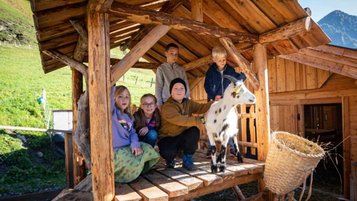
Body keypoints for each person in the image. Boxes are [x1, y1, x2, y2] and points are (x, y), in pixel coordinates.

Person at [159, 78, 213, 171]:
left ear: (185, 91)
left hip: (182, 136)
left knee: (194, 131)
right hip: (168, 138)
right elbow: (181, 120)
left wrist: (215, 102)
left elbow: (201, 107)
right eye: (175, 88)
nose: (179, 91)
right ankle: (170, 159)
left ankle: (187, 158)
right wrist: (202, 120)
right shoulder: (167, 107)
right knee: (167, 152)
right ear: (171, 91)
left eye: (182, 88)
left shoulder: (188, 102)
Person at [204, 46, 246, 158]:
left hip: (226, 101)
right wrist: (213, 96)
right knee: (210, 121)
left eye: (224, 60)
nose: (222, 62)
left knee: (230, 122)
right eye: (219, 60)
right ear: (214, 60)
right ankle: (210, 148)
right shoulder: (211, 72)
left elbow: (238, 81)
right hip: (214, 100)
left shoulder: (230, 70)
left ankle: (232, 148)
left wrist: (242, 74)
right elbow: (206, 86)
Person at [111, 85, 160, 183]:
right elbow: (109, 97)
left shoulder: (129, 117)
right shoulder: (113, 113)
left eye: (127, 96)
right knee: (133, 161)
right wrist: (112, 84)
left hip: (129, 146)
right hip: (117, 149)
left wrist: (135, 145)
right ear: (114, 98)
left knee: (149, 150)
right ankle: (129, 174)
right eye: (120, 96)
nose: (124, 99)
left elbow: (132, 133)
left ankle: (141, 169)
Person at [155, 43, 190, 107]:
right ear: (166, 53)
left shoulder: (181, 70)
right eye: (172, 53)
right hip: (167, 102)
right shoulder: (161, 69)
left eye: (176, 54)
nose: (174, 56)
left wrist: (186, 99)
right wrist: (159, 104)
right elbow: (158, 87)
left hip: (180, 102)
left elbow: (186, 86)